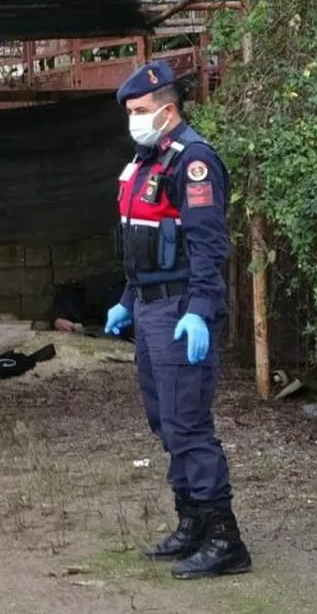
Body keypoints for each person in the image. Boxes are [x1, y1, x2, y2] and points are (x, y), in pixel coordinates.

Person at [102, 60, 251, 579]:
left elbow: (208, 248)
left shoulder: (194, 162)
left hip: (181, 309)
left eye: (141, 111)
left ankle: (225, 538)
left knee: (188, 423)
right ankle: (191, 524)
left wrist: (201, 314)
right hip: (149, 308)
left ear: (168, 110)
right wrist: (126, 299)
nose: (134, 120)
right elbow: (143, 245)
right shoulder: (146, 162)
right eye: (129, 113)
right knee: (164, 420)